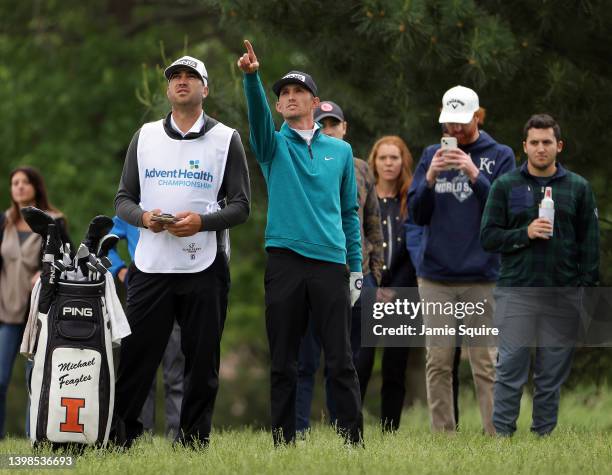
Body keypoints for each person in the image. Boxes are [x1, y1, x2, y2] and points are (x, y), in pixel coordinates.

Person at [112, 55, 251, 448]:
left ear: (205, 89)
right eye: (175, 76)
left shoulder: (227, 139)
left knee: (201, 360)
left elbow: (242, 206)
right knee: (137, 356)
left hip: (204, 265)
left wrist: (202, 222)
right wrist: (143, 218)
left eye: (192, 76)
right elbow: (123, 199)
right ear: (168, 88)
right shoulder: (145, 136)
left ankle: (192, 443)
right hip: (151, 263)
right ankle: (122, 439)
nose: (182, 81)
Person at [238, 41, 363, 445]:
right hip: (285, 261)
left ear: (315, 101)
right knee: (284, 360)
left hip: (330, 263)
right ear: (279, 107)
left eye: (297, 92)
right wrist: (252, 78)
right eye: (283, 95)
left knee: (341, 359)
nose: (289, 98)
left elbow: (349, 213)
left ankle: (352, 441)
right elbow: (256, 117)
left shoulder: (340, 151)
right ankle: (283, 441)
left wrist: (356, 267)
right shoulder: (272, 146)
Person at [480, 113, 599, 436]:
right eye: (534, 142)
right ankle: (502, 437)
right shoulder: (506, 185)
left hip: (562, 294)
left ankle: (543, 437)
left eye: (547, 142)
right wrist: (525, 232)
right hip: (516, 292)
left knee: (550, 376)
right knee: (510, 370)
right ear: (525, 146)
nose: (541, 148)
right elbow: (488, 237)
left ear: (558, 146)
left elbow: (590, 248)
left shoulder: (578, 188)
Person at [407, 85, 515, 434]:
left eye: (460, 123)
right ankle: (444, 435)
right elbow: (418, 214)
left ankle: (495, 434)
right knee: (438, 362)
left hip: (481, 275)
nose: (452, 131)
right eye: (448, 123)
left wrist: (473, 172)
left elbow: (506, 211)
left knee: (485, 362)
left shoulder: (500, 155)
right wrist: (429, 177)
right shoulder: (429, 155)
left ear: (477, 117)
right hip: (436, 276)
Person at [295, 101, 384, 433]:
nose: (329, 129)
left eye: (334, 124)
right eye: (323, 124)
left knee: (350, 360)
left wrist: (375, 272)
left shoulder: (360, 168)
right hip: (314, 270)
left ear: (344, 127)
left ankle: (345, 428)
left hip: (357, 272)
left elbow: (373, 221)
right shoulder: (303, 161)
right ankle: (298, 430)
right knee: (305, 358)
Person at [0, 166, 71, 439]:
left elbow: (66, 259)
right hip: (6, 311)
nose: (18, 187)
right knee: (1, 380)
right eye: (14, 182)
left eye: (24, 182)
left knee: (35, 380)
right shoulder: (3, 222)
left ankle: (34, 436)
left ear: (35, 187)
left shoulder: (54, 221)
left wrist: (46, 272)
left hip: (38, 313)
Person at [356, 136, 417, 432]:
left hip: (403, 290)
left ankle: (389, 430)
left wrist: (396, 289)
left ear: (403, 161)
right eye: (383, 158)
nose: (389, 163)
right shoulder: (366, 198)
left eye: (395, 158)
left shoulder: (411, 200)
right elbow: (362, 238)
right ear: (374, 162)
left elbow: (416, 247)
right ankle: (350, 426)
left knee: (395, 366)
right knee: (361, 361)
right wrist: (375, 283)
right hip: (369, 285)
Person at [107, 215, 184, 438]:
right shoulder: (132, 211)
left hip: (178, 286)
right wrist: (120, 270)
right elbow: (105, 241)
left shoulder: (176, 196)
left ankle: (177, 434)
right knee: (140, 367)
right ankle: (140, 434)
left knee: (175, 367)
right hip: (143, 291)